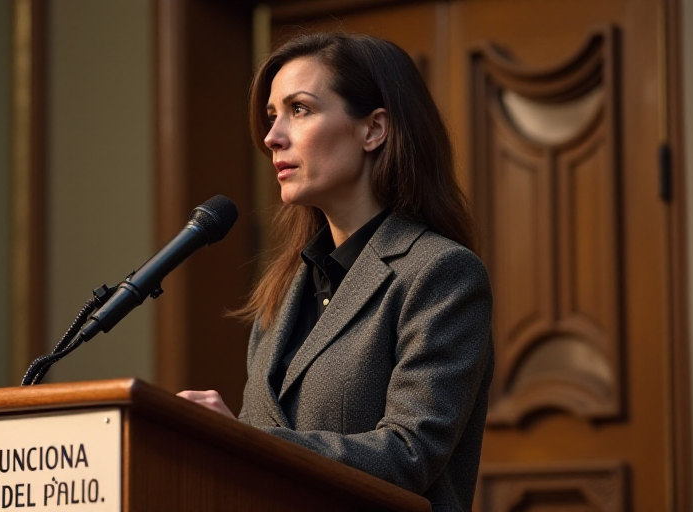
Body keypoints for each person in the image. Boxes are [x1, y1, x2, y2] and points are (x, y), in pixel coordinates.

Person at [177, 32, 494, 512]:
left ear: (374, 130)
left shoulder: (440, 274)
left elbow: (411, 455)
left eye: (299, 110)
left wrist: (243, 441)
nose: (272, 137)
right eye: (271, 116)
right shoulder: (281, 294)